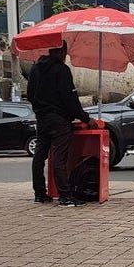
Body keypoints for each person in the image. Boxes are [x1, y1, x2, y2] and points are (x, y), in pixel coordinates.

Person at [27, 41, 104, 206]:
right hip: (59, 120)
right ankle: (65, 196)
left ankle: (39, 193)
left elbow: (30, 94)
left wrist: (40, 110)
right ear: (62, 51)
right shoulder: (62, 70)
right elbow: (70, 100)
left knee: (40, 155)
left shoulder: (35, 69)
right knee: (59, 157)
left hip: (42, 118)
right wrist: (86, 118)